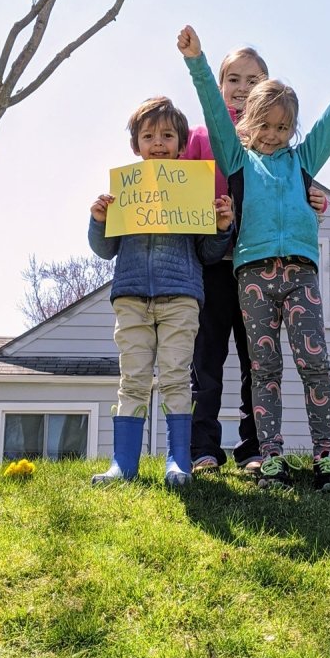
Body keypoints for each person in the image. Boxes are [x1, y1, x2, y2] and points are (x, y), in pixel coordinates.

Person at [177, 26, 330, 491]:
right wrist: (197, 60)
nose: (273, 135)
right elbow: (213, 110)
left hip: (300, 275)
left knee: (313, 364)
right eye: (264, 125)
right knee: (262, 367)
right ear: (247, 121)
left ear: (291, 128)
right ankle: (265, 455)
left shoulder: (302, 160)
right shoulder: (235, 159)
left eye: (282, 127)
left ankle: (324, 455)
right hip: (247, 274)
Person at [182, 45, 328, 475]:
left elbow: (291, 188)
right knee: (205, 359)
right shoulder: (204, 136)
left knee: (255, 361)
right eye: (234, 80)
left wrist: (313, 199)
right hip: (212, 259)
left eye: (253, 80)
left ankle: (253, 448)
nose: (242, 88)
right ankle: (203, 447)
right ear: (221, 84)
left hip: (257, 265)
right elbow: (177, 190)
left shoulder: (271, 138)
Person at [88, 95, 234, 488]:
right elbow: (104, 250)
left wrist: (221, 227)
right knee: (132, 377)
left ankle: (178, 461)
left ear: (182, 145)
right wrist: (99, 220)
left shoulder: (192, 191)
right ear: (135, 145)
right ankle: (124, 464)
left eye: (167, 135)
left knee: (174, 377)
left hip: (181, 298)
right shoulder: (124, 192)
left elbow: (207, 252)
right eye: (148, 135)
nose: (158, 143)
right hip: (132, 296)